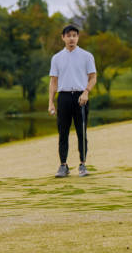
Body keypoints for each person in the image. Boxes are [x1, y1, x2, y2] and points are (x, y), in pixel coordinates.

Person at [49, 25, 97, 178]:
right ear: (63, 37)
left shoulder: (86, 56)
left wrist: (86, 92)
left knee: (81, 133)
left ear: (78, 37)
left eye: (74, 35)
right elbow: (53, 82)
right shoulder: (56, 58)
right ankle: (63, 166)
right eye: (68, 35)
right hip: (63, 97)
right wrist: (51, 102)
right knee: (63, 133)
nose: (72, 38)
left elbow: (93, 77)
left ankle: (82, 164)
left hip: (80, 98)